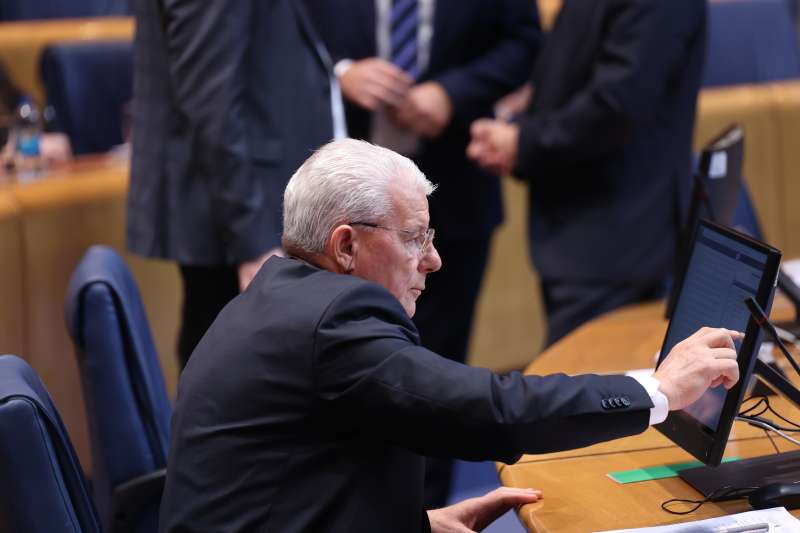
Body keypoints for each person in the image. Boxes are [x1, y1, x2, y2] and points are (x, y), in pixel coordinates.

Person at [160, 139, 741, 533]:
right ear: (345, 245)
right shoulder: (333, 318)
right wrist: (658, 390)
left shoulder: (285, 296)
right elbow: (489, 412)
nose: (433, 259)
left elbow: (296, 480)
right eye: (415, 237)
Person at [303, 0, 540, 507]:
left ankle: (427, 512)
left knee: (438, 370)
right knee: (340, 366)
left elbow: (524, 43)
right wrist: (339, 73)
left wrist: (453, 93)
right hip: (335, 196)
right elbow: (284, 35)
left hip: (456, 190)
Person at [467, 0, 707, 346]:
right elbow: (582, 64)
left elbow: (617, 104)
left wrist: (523, 142)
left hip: (618, 236)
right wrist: (526, 115)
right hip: (583, 230)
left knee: (591, 375)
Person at [126, 0, 344, 368]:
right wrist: (252, 238)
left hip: (247, 201)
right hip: (240, 212)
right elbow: (210, 98)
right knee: (234, 375)